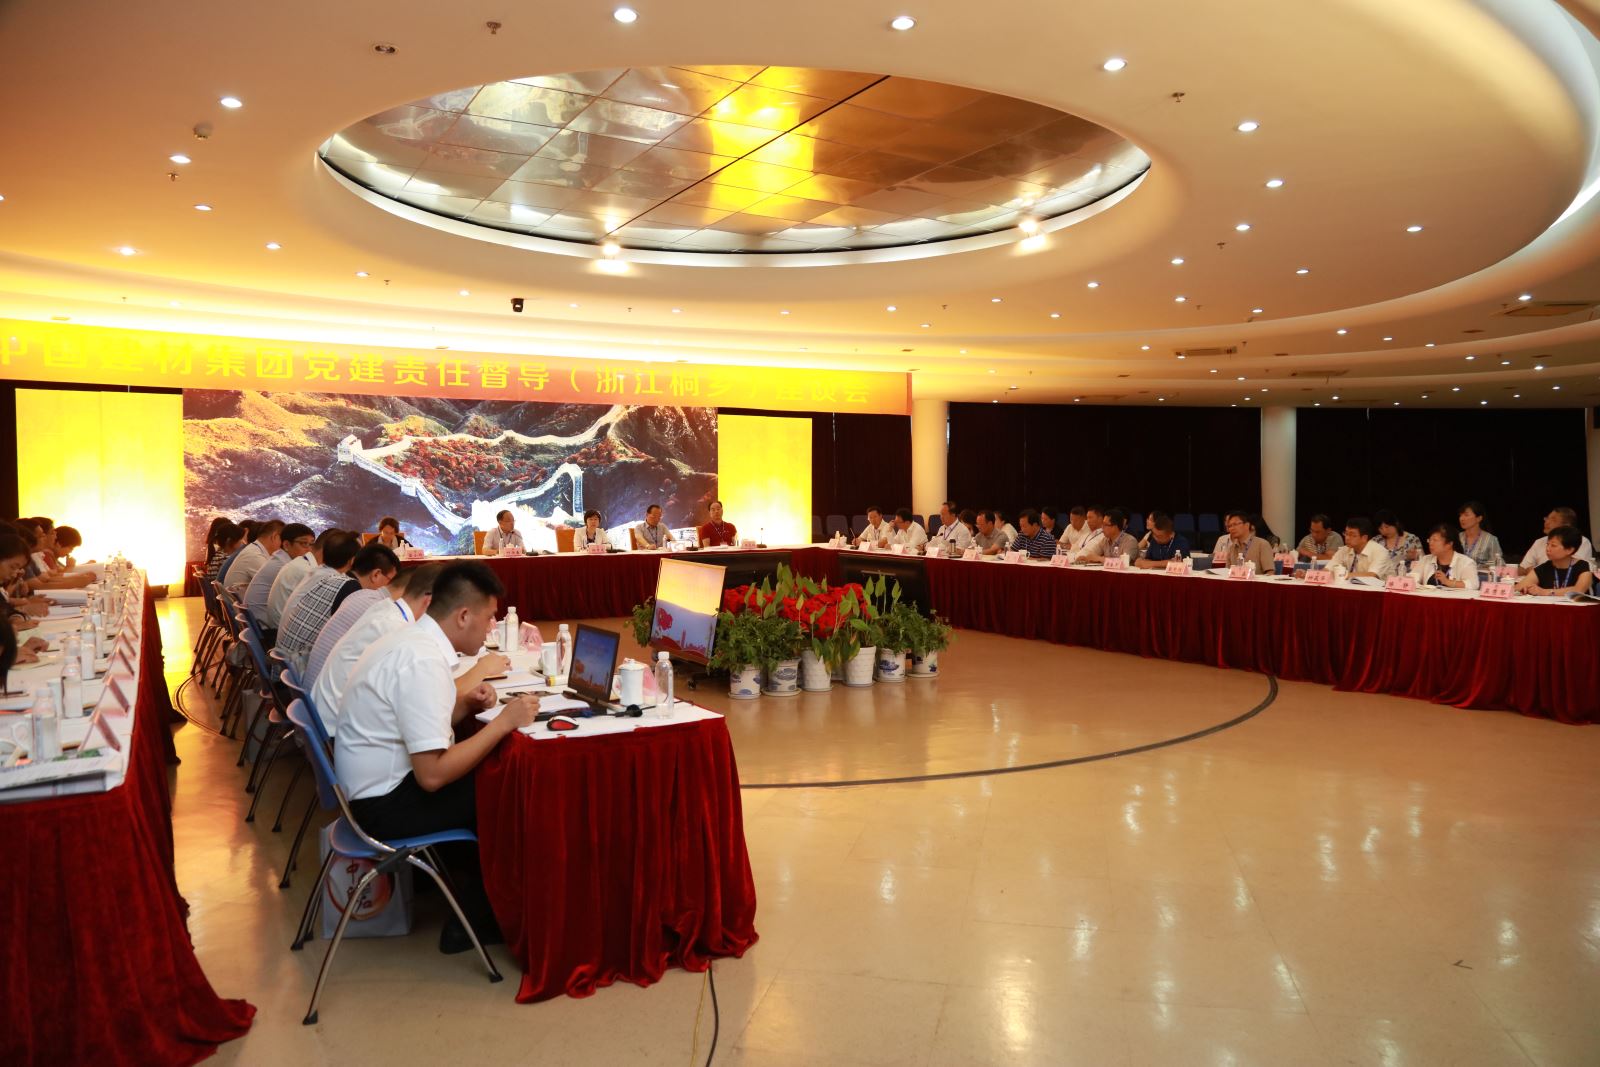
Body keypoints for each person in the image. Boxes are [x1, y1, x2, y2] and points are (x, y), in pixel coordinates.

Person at [335, 562, 538, 953]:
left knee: (490, 773)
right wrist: (503, 723)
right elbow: (432, 775)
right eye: (489, 618)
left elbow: (414, 726)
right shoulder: (423, 661)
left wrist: (464, 705)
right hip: (383, 806)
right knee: (507, 786)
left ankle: (457, 879)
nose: (491, 628)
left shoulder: (410, 640)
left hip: (369, 789)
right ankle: (475, 919)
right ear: (463, 616)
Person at [275, 533, 362, 676]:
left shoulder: (317, 572)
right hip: (295, 670)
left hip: (283, 663)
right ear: (352, 560)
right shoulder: (343, 584)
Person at [244, 522, 313, 639]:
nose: (309, 550)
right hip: (264, 630)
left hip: (257, 625)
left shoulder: (281, 559)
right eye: (304, 544)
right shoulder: (287, 566)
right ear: (286, 545)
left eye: (312, 544)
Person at [266, 527, 334, 628]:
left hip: (278, 627)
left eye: (311, 544)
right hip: (278, 631)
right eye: (304, 543)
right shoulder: (307, 570)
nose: (308, 548)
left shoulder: (302, 563)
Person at [1515, 525, 1593, 597]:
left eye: (1553, 545)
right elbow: (1517, 588)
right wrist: (1527, 589)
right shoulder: (1544, 568)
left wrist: (1544, 592)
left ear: (1569, 550)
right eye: (1547, 544)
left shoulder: (1583, 566)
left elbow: (1579, 590)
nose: (1548, 549)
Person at [1518, 507, 1595, 574]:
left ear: (1566, 526)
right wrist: (1532, 571)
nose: (1547, 522)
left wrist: (1537, 572)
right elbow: (1521, 569)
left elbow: (1574, 569)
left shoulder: (1581, 541)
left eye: (1553, 520)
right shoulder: (1539, 542)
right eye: (1547, 518)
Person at [330, 543, 401, 615]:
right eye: (390, 581)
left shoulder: (334, 578)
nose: (388, 587)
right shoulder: (356, 594)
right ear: (376, 575)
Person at [1415, 524, 1479, 589]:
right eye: (1430, 540)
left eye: (1435, 540)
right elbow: (1413, 577)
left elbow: (1473, 585)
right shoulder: (1425, 559)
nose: (1430, 543)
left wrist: (1447, 582)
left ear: (1449, 544)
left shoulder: (1466, 562)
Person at [1212, 510, 1275, 574]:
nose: (1232, 528)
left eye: (1235, 524)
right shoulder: (1232, 548)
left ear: (1247, 525)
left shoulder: (1262, 544)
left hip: (1256, 580)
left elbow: (1270, 572)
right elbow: (1227, 571)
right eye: (1229, 526)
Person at [1454, 501, 1501, 571]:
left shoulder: (1490, 540)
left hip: (1481, 576)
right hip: (1458, 576)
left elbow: (1499, 564)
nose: (1462, 518)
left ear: (1479, 518)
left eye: (1466, 515)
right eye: (1460, 515)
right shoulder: (1456, 537)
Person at [1373, 509, 1422, 573]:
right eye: (1381, 528)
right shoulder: (1376, 541)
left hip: (1405, 576)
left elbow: (1423, 561)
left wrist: (1415, 556)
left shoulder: (1412, 539)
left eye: (1387, 527)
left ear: (1396, 524)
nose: (1384, 531)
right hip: (1380, 576)